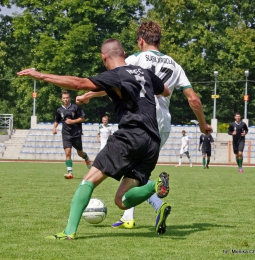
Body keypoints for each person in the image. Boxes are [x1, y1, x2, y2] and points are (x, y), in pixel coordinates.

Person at [17, 38, 171, 239]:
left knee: (88, 181)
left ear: (103, 57)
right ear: (124, 53)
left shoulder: (115, 74)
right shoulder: (145, 73)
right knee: (122, 200)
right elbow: (165, 91)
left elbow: (79, 83)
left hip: (130, 136)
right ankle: (155, 185)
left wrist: (41, 75)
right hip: (152, 141)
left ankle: (69, 231)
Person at [76, 21, 212, 234]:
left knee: (129, 167)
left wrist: (89, 95)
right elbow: (193, 99)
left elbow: (119, 80)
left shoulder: (134, 59)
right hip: (162, 125)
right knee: (136, 170)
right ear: (159, 40)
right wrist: (203, 125)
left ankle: (151, 207)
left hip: (140, 117)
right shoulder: (175, 65)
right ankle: (131, 215)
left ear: (140, 40)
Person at [53, 90, 92, 179]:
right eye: (64, 98)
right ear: (61, 99)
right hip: (66, 134)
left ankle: (86, 158)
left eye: (67, 98)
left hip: (76, 133)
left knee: (80, 153)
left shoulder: (75, 107)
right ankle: (70, 173)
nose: (66, 99)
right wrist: (54, 127)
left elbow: (82, 118)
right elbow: (57, 120)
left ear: (69, 98)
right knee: (68, 152)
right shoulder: (59, 110)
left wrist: (72, 121)